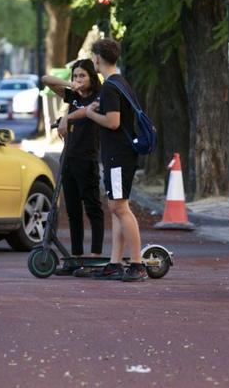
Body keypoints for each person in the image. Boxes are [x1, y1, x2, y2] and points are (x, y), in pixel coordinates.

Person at [84, 39, 147, 282]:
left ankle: (137, 264)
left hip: (117, 155)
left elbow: (113, 122)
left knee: (120, 207)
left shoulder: (111, 86)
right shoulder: (120, 83)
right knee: (116, 207)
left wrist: (90, 114)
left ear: (98, 59)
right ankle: (115, 261)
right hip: (121, 154)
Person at [42, 59, 105, 263]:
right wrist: (71, 85)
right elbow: (46, 80)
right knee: (72, 210)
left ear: (92, 77)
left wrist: (66, 118)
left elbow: (85, 112)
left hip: (87, 158)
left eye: (82, 76)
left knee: (93, 207)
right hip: (68, 157)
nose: (78, 79)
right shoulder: (74, 94)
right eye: (75, 75)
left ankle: (95, 254)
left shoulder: (99, 97)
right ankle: (76, 255)